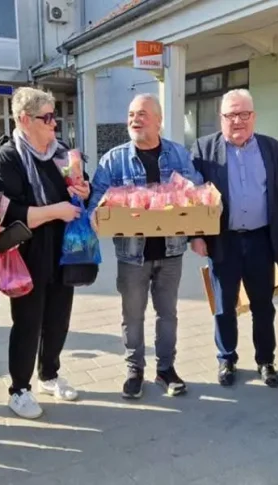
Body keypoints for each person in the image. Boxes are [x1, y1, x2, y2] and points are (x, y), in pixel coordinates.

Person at [190, 89, 278, 388]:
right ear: (221, 119)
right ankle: (226, 358)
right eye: (231, 114)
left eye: (244, 114)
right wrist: (196, 235)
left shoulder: (272, 149)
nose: (238, 120)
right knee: (223, 305)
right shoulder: (203, 149)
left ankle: (265, 360)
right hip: (223, 240)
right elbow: (192, 195)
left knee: (263, 305)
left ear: (254, 117)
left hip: (261, 240)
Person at [87, 94, 203, 399]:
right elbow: (96, 198)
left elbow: (197, 192)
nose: (134, 120)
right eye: (130, 115)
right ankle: (134, 369)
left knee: (168, 314)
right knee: (132, 315)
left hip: (171, 251)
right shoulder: (113, 159)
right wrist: (96, 214)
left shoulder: (178, 155)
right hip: (131, 255)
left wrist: (190, 200)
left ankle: (166, 369)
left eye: (142, 114)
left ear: (159, 119)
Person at [0, 87, 89, 419]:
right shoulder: (9, 157)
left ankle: (50, 374)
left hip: (64, 249)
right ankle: (19, 389)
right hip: (28, 252)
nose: (54, 124)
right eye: (46, 118)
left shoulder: (61, 153)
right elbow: (6, 211)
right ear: (24, 119)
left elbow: (79, 187)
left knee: (59, 318)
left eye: (54, 116)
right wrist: (56, 209)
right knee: (28, 322)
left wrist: (82, 190)